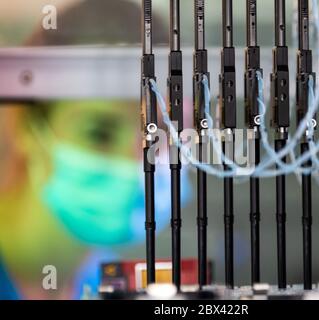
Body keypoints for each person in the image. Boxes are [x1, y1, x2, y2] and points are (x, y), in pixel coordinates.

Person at [0, 0, 191, 299]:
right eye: (100, 133)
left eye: (156, 135)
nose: (135, 162)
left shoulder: (107, 278)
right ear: (29, 126)